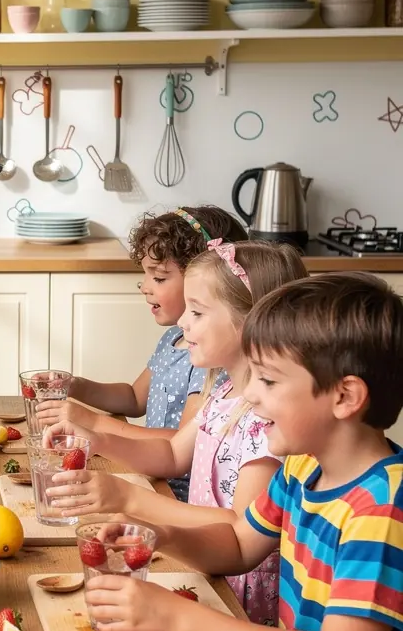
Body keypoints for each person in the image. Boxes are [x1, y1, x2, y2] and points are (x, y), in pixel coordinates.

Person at [81, 273, 403, 631]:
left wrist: (176, 617)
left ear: (345, 396)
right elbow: (237, 542)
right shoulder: (303, 468)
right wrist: (159, 535)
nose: (249, 395)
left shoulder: (382, 508)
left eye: (269, 381)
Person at [44, 239, 307, 625]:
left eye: (197, 312)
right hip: (201, 566)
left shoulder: (266, 424)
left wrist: (128, 497)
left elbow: (237, 530)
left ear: (252, 322)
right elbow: (171, 455)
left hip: (238, 595)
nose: (183, 322)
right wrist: (98, 439)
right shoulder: (223, 391)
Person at [37, 205, 247, 501]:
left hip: (174, 493)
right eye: (145, 275)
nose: (145, 287)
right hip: (148, 474)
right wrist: (75, 386)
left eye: (159, 278)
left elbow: (179, 444)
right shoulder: (173, 338)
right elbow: (135, 398)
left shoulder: (209, 362)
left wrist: (92, 421)